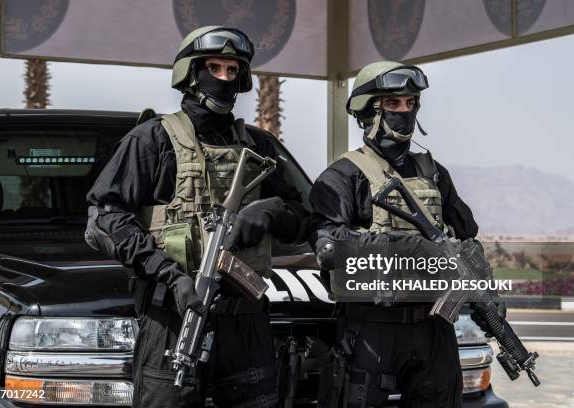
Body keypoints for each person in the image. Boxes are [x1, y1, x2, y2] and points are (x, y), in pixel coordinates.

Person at [85, 26, 307, 408]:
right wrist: (169, 275)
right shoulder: (152, 140)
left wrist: (267, 212)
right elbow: (105, 220)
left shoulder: (260, 146)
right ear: (191, 72)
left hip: (245, 323)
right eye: (213, 67)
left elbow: (306, 217)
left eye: (231, 70)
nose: (223, 78)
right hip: (174, 317)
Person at [310, 61, 489, 408]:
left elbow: (467, 240)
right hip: (372, 328)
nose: (404, 112)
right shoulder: (343, 176)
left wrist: (484, 287)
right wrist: (408, 246)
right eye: (393, 104)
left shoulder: (433, 173)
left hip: (434, 326)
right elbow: (329, 248)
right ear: (369, 111)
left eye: (411, 103)